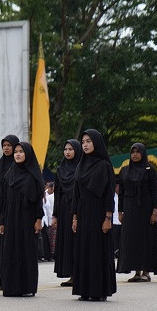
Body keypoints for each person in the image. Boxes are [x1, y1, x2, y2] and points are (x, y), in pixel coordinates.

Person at [71, 129, 116, 302]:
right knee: (83, 250)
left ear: (96, 142)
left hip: (98, 212)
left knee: (98, 250)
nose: (85, 145)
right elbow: (76, 194)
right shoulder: (80, 165)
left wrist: (108, 218)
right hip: (83, 212)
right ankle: (84, 289)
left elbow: (108, 193)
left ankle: (99, 290)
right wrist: (74, 217)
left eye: (89, 141)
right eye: (83, 142)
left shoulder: (104, 165)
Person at [0, 142, 44, 297]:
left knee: (26, 250)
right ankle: (11, 286)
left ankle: (26, 286)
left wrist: (38, 218)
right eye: (16, 152)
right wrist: (3, 221)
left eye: (21, 152)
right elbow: (5, 199)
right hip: (11, 218)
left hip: (27, 218)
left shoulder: (34, 175)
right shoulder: (10, 174)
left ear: (28, 154)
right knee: (11, 250)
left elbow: (38, 199)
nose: (17, 154)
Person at [116, 143, 157, 282]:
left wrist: (155, 211)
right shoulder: (125, 170)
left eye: (138, 152)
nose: (135, 154)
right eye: (133, 152)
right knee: (132, 239)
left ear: (143, 153)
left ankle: (146, 271)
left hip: (145, 207)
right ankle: (136, 271)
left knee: (146, 238)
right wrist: (120, 211)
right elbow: (121, 193)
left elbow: (154, 192)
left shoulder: (150, 170)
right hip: (130, 207)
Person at [0, 134, 20, 289]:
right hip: (1, 207)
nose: (7, 148)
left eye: (9, 145)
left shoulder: (18, 165)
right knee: (1, 244)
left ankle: (11, 276)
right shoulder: (0, 165)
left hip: (13, 208)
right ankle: (1, 277)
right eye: (4, 146)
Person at [53, 140, 81, 286]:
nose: (68, 152)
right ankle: (71, 273)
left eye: (71, 149)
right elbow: (57, 193)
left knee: (76, 241)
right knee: (67, 241)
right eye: (65, 149)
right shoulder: (60, 169)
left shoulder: (81, 167)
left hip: (77, 209)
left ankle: (79, 273)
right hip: (64, 209)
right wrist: (55, 214)